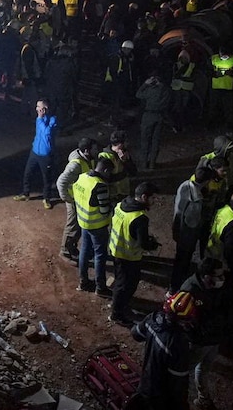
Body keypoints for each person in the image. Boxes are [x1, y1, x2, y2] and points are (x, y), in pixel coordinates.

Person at [130, 291, 197, 410]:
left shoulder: (153, 318)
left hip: (145, 383)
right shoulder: (178, 345)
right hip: (160, 395)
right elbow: (178, 384)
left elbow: (136, 334)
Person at [179, 258, 229, 409]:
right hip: (198, 341)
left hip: (213, 339)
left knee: (204, 369)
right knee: (184, 371)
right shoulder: (189, 290)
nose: (222, 279)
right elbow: (183, 319)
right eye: (218, 276)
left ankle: (203, 399)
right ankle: (179, 400)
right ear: (206, 276)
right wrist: (198, 332)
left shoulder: (215, 287)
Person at [108, 182, 160, 325]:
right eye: (153, 198)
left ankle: (117, 305)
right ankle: (117, 314)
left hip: (115, 249)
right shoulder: (140, 218)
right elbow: (143, 243)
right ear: (144, 197)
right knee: (126, 285)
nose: (155, 201)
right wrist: (153, 244)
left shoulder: (121, 205)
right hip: (129, 256)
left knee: (120, 281)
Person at [169, 166, 215, 293]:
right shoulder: (191, 195)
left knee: (184, 258)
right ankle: (174, 288)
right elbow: (185, 217)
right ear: (206, 181)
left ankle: (179, 282)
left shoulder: (191, 187)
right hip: (186, 233)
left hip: (186, 230)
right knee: (182, 259)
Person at [73, 158, 114, 297]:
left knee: (84, 250)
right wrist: (111, 206)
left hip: (83, 222)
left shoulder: (83, 177)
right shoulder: (100, 185)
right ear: (106, 170)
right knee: (100, 255)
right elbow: (104, 210)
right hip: (97, 225)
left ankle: (83, 281)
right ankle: (100, 287)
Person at [56, 137, 98, 261]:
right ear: (86, 151)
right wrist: (68, 199)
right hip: (74, 199)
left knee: (78, 226)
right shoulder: (75, 165)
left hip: (81, 199)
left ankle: (71, 247)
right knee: (72, 226)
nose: (97, 151)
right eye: (94, 149)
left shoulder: (88, 158)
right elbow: (61, 182)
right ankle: (65, 252)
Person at [13, 99, 57, 209]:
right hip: (35, 151)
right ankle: (25, 193)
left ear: (45, 109)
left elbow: (47, 133)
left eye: (39, 107)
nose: (36, 109)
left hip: (45, 155)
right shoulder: (40, 119)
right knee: (27, 173)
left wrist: (40, 119)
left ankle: (46, 198)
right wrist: (40, 119)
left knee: (46, 178)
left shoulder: (53, 120)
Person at [136, 72, 170, 169]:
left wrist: (145, 84)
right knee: (156, 141)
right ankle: (152, 164)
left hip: (148, 115)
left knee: (145, 140)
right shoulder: (167, 91)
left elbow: (138, 94)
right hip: (160, 116)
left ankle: (144, 164)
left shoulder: (151, 90)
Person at [99, 130, 137, 203]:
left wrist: (125, 161)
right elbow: (106, 179)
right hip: (112, 196)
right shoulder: (105, 157)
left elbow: (134, 172)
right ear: (120, 144)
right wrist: (124, 174)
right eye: (126, 141)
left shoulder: (125, 153)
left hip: (124, 193)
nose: (127, 143)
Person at [208, 46, 233, 131]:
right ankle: (211, 125)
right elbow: (207, 70)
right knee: (213, 107)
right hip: (215, 87)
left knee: (228, 108)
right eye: (223, 54)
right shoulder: (213, 59)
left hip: (228, 87)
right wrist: (214, 74)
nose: (224, 56)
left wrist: (232, 73)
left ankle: (229, 125)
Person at [170, 50, 196, 133]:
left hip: (186, 89)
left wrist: (182, 77)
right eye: (181, 57)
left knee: (184, 108)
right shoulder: (176, 65)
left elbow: (193, 77)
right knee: (177, 107)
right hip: (177, 89)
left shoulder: (192, 66)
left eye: (185, 58)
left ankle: (184, 125)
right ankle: (175, 125)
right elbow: (174, 75)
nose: (183, 59)